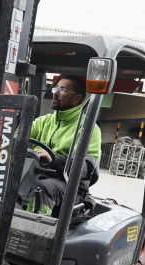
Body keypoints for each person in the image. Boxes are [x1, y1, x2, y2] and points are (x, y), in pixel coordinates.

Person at [27, 75, 101, 215]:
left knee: (40, 188)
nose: (55, 92)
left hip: (70, 185)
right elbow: (15, 142)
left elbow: (86, 167)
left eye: (62, 89)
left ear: (77, 98)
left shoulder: (88, 128)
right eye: (56, 88)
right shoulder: (42, 122)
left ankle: (35, 232)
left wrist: (53, 160)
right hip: (36, 174)